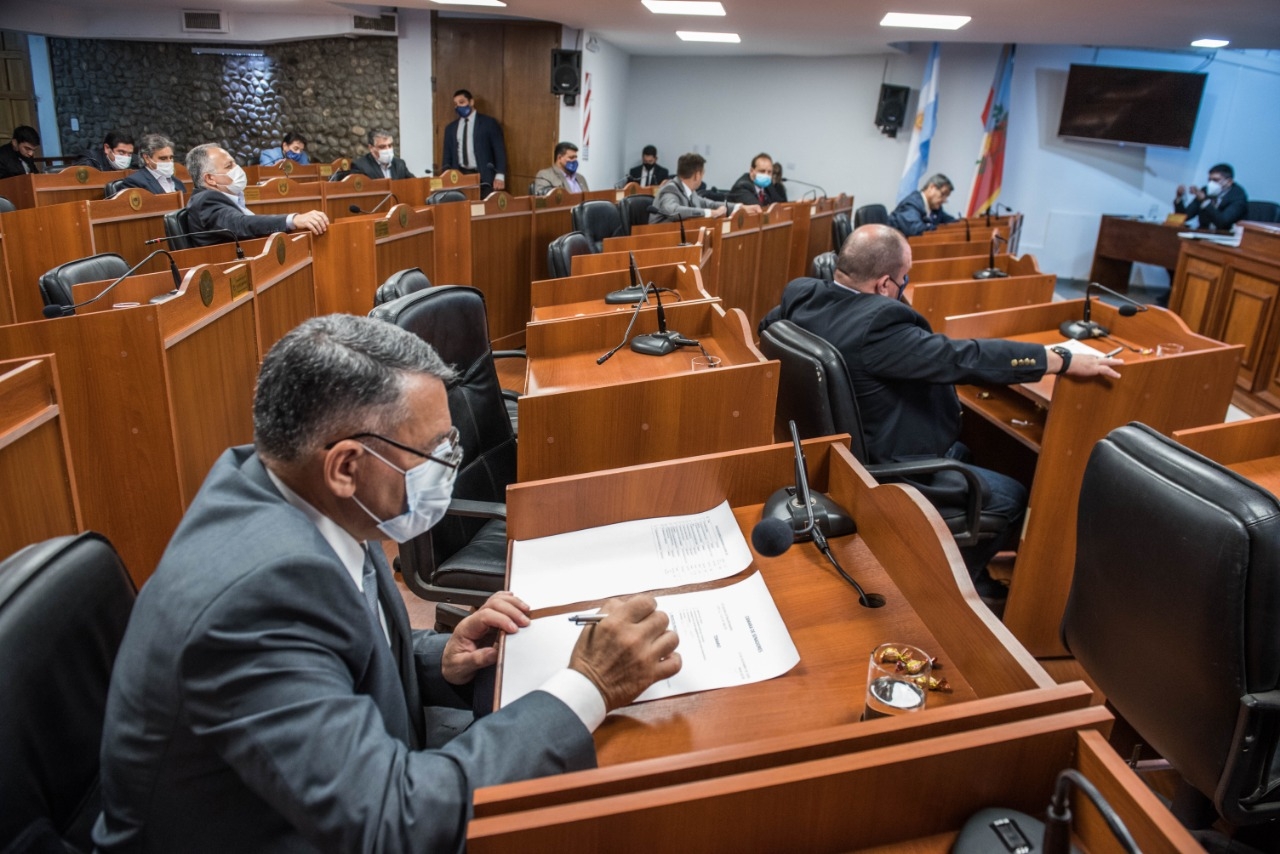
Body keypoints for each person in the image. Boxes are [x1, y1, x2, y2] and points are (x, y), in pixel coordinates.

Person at [93, 314, 681, 852]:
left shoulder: (310, 496)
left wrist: (440, 660)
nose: (449, 466)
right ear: (346, 466)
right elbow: (393, 822)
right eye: (433, 451)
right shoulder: (254, 601)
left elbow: (336, 652)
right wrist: (592, 685)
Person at [758, 224, 1122, 604]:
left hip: (827, 455)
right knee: (1012, 496)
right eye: (904, 280)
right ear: (884, 285)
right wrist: (1055, 359)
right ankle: (951, 591)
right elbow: (962, 357)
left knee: (965, 452)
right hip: (883, 470)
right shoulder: (880, 325)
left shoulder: (802, 294)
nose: (904, 288)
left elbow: (766, 332)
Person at [184, 143, 329, 247]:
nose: (237, 168)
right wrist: (293, 220)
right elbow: (241, 224)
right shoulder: (205, 201)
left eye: (235, 163)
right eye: (229, 166)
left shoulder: (222, 197)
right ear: (210, 178)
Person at [650, 152, 761, 224]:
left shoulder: (690, 192)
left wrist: (740, 207)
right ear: (697, 175)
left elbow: (711, 204)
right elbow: (673, 211)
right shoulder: (670, 189)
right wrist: (710, 213)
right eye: (702, 173)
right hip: (658, 243)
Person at [440, 89, 507, 192]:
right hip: (459, 177)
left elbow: (499, 150)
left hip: (484, 176)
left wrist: (500, 175)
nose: (458, 106)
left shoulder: (488, 123)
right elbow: (447, 155)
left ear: (471, 102)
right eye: (456, 104)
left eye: (461, 102)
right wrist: (446, 176)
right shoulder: (451, 128)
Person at [1175, 162, 1248, 231]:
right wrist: (1179, 198)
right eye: (1209, 180)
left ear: (1229, 182)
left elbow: (1223, 222)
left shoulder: (1237, 196)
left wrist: (1205, 201)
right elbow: (1184, 217)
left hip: (1224, 235)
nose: (1211, 184)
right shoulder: (1205, 190)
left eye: (1215, 180)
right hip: (1202, 233)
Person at [889, 173, 956, 236]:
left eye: (946, 197)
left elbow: (951, 222)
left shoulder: (936, 209)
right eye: (943, 194)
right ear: (932, 188)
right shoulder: (911, 204)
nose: (944, 200)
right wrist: (933, 227)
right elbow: (915, 229)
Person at [119, 133, 185, 195]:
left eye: (171, 158)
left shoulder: (177, 182)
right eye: (163, 158)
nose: (169, 162)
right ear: (147, 158)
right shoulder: (134, 182)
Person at [350, 129, 414, 181]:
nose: (387, 149)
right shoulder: (360, 167)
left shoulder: (399, 164)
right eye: (382, 147)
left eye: (390, 145)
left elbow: (414, 183)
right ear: (371, 148)